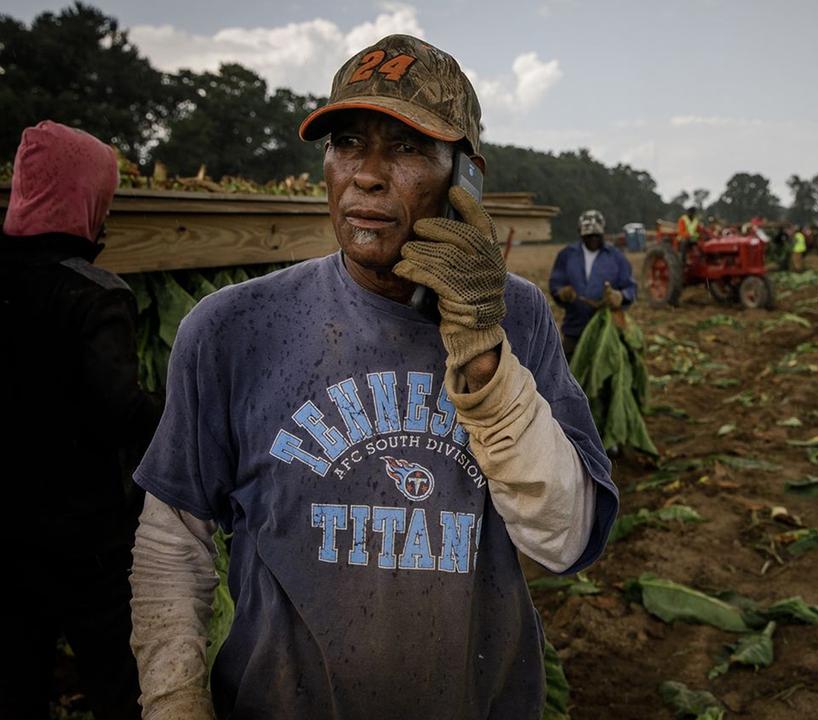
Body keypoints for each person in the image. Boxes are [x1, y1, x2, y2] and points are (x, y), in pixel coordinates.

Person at [128, 34, 619, 719]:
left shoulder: (521, 319)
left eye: (409, 148)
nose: (367, 173)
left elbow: (565, 542)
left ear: (465, 177)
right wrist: (176, 699)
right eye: (348, 143)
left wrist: (482, 352)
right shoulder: (233, 329)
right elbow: (172, 538)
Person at [0, 121, 161, 719]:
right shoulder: (93, 294)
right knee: (117, 680)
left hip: (7, 532)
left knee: (16, 677)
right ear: (86, 200)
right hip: (81, 540)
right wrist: (178, 420)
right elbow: (119, 409)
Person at [549, 209, 636, 359]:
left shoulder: (616, 257)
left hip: (607, 331)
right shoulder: (567, 255)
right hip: (575, 328)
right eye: (588, 236)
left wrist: (621, 296)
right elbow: (555, 284)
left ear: (603, 233)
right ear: (581, 234)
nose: (593, 239)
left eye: (597, 236)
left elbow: (630, 287)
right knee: (569, 372)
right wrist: (562, 292)